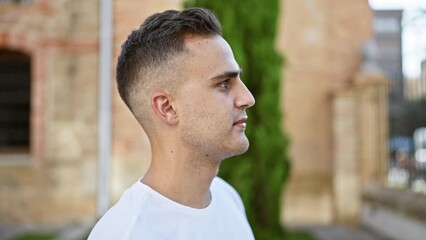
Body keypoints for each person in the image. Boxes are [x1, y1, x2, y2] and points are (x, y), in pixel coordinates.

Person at [89, 7, 255, 240]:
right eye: (224, 83)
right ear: (167, 107)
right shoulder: (128, 233)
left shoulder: (228, 199)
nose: (248, 98)